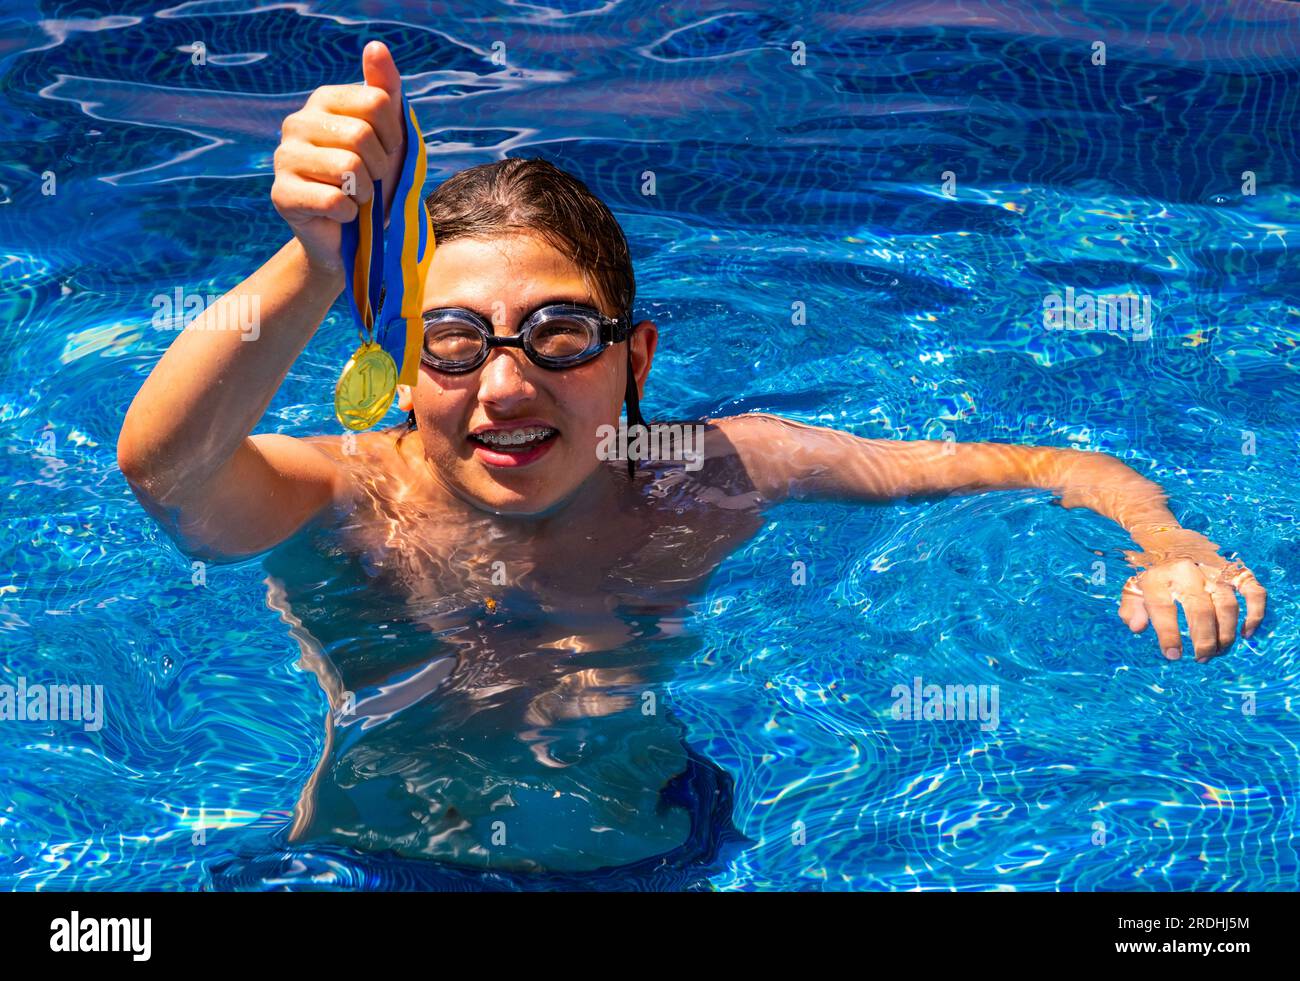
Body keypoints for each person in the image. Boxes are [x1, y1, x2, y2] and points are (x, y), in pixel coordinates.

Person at [117, 41, 1267, 877]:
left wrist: (1170, 548)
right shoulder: (343, 498)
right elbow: (166, 469)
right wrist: (315, 263)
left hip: (657, 858)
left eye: (560, 334)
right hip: (366, 864)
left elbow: (1045, 465)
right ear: (405, 370)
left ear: (635, 360)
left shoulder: (713, 473)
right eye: (455, 342)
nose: (507, 383)